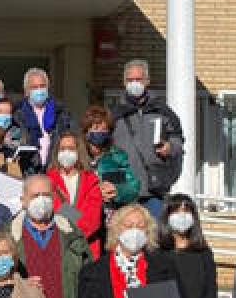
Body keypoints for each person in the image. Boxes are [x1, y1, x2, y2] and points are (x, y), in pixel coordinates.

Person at [10, 174, 90, 298]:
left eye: (46, 195)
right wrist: (18, 284)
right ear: (23, 200)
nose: (41, 201)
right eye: (35, 196)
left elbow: (89, 279)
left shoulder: (72, 233)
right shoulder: (8, 237)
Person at [111, 59, 184, 219]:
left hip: (154, 191)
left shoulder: (163, 111)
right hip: (125, 192)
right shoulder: (115, 114)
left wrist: (170, 147)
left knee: (155, 239)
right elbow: (107, 152)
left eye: (138, 79)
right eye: (130, 80)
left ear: (147, 81)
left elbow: (178, 140)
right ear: (124, 83)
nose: (134, 84)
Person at [82, 104, 139, 252]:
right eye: (95, 128)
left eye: (104, 129)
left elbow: (133, 186)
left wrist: (117, 190)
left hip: (110, 223)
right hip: (82, 224)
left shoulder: (117, 157)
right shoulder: (77, 158)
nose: (100, 132)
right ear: (86, 130)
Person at [46, 131, 104, 259]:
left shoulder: (91, 181)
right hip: (56, 248)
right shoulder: (47, 181)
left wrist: (64, 209)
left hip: (87, 250)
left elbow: (91, 221)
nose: (66, 152)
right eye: (62, 149)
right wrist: (73, 213)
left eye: (71, 149)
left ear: (79, 152)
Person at [15, 68, 74, 176]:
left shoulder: (61, 113)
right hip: (27, 171)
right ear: (26, 91)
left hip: (55, 170)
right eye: (34, 87)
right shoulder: (17, 115)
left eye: (42, 86)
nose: (39, 90)